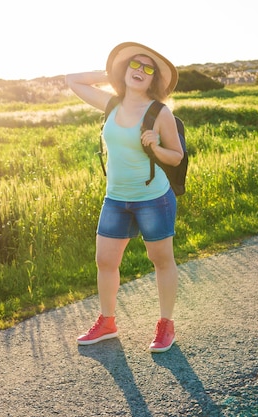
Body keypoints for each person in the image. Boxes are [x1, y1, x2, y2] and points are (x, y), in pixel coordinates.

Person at [66, 42, 183, 353]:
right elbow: (72, 80)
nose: (140, 71)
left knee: (161, 261)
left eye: (148, 68)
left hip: (153, 198)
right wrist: (109, 72)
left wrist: (156, 147)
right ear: (125, 70)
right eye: (135, 65)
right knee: (105, 261)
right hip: (116, 199)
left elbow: (176, 156)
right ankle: (107, 322)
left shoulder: (160, 113)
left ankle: (166, 325)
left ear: (154, 78)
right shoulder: (111, 104)